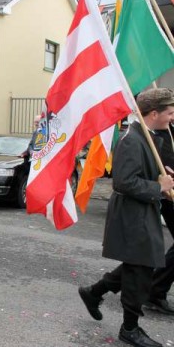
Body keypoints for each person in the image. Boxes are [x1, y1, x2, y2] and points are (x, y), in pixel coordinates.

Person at [78, 88, 174, 347]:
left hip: (142, 211)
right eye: (169, 112)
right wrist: (159, 187)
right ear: (153, 113)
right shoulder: (132, 139)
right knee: (139, 270)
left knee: (140, 264)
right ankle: (129, 328)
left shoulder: (148, 136)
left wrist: (161, 176)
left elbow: (141, 173)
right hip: (132, 215)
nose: (172, 117)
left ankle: (93, 292)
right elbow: (123, 182)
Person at [145, 120, 174, 316]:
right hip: (168, 196)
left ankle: (155, 288)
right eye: (170, 112)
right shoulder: (159, 135)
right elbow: (162, 169)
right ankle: (154, 290)